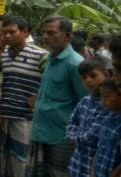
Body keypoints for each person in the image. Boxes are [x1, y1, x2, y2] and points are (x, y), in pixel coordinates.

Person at [0, 15, 49, 177]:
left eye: (12, 32)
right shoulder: (4, 54)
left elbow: (52, 81)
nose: (7, 36)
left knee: (21, 162)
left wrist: (39, 97)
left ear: (25, 32)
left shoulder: (40, 55)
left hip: (25, 117)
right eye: (4, 32)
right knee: (2, 160)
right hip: (5, 115)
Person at [26, 16, 90, 177]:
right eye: (44, 32)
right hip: (41, 130)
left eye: (51, 33)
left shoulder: (74, 63)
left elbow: (85, 102)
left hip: (61, 136)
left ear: (67, 36)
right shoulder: (50, 58)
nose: (45, 37)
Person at [66, 58, 112, 177]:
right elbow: (72, 122)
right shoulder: (85, 101)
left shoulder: (109, 104)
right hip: (77, 165)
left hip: (95, 168)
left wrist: (75, 138)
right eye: (84, 78)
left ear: (106, 75)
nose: (88, 80)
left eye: (93, 76)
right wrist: (72, 135)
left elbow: (92, 135)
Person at [94, 79, 121, 177]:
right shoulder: (107, 120)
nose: (102, 101)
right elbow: (99, 149)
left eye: (106, 96)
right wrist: (93, 172)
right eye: (101, 96)